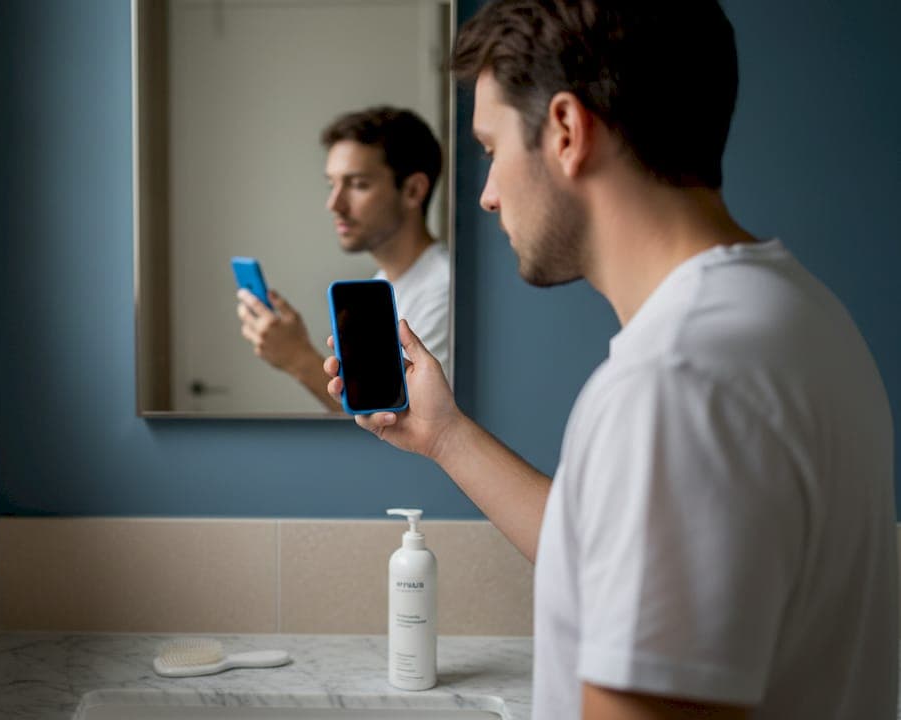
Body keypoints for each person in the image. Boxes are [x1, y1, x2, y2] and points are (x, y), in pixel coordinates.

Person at [324, 2, 897, 719]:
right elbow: (605, 551)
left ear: (566, 131)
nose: (488, 195)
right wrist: (446, 436)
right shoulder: (792, 312)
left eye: (491, 149)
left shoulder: (676, 383)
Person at [236, 107, 450, 412]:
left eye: (358, 184)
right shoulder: (381, 287)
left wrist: (298, 358)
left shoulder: (445, 292)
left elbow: (410, 428)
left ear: (413, 190)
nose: (334, 204)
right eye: (331, 184)